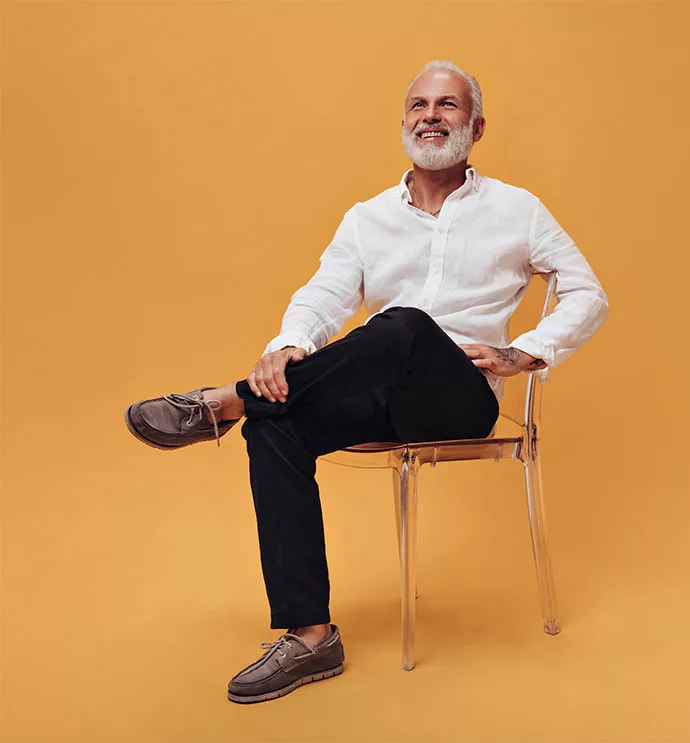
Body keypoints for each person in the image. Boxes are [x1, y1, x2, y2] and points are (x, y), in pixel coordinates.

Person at [124, 59, 609, 704]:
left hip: (457, 399)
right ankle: (311, 635)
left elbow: (587, 293)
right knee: (276, 424)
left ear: (477, 126)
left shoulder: (518, 210)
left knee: (403, 325)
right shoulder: (366, 218)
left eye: (448, 105)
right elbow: (323, 296)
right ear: (404, 120)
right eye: (418, 105)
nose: (430, 116)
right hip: (374, 396)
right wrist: (286, 348)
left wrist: (526, 352)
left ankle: (226, 401)